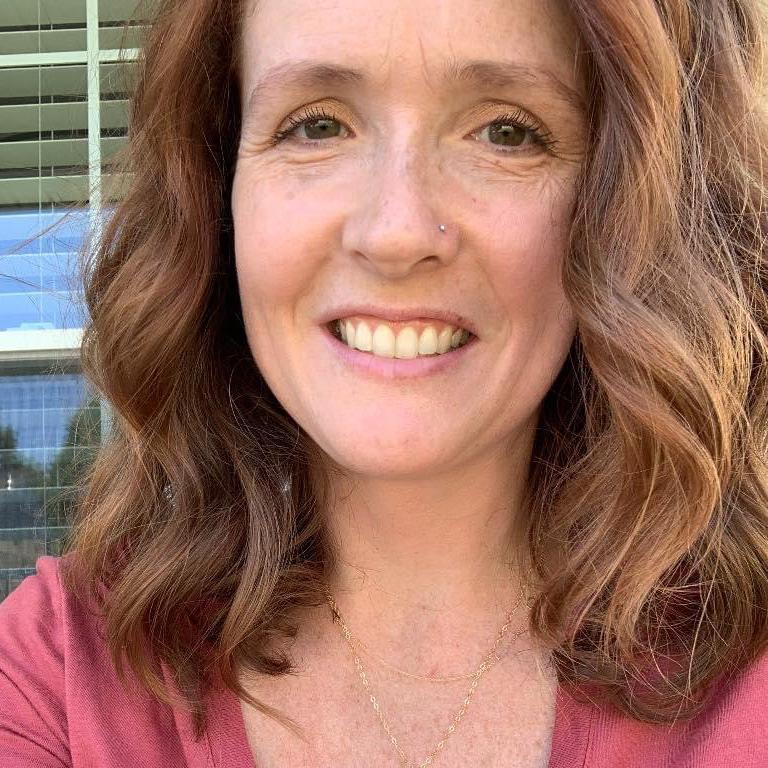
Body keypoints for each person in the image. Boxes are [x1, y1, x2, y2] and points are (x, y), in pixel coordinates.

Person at [2, 0, 768, 765]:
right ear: (218, 194)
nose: (395, 233)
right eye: (316, 125)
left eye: (506, 132)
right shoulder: (61, 679)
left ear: (626, 214)